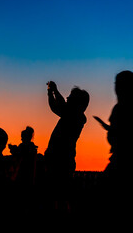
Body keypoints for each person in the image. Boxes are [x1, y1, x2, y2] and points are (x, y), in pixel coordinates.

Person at [94, 71, 133, 229]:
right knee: (128, 207)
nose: (116, 88)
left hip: (123, 162)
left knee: (114, 205)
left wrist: (110, 130)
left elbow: (118, 136)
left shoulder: (123, 107)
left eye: (118, 84)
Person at [44, 81, 89, 214]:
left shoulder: (74, 116)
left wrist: (53, 92)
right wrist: (52, 92)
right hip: (63, 159)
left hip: (60, 160)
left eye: (70, 97)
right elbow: (58, 106)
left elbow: (57, 106)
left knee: (58, 196)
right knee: (60, 196)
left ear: (77, 103)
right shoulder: (75, 115)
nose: (67, 98)